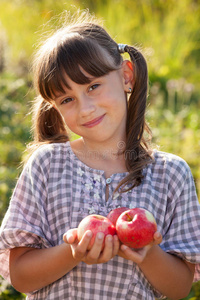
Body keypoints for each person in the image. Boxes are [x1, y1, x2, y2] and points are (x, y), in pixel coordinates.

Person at [0, 10, 200, 300]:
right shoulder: (46, 166)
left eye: (93, 86)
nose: (85, 108)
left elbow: (180, 287)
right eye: (67, 99)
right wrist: (74, 251)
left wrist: (146, 251)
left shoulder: (171, 175)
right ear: (55, 106)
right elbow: (20, 276)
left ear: (126, 76)